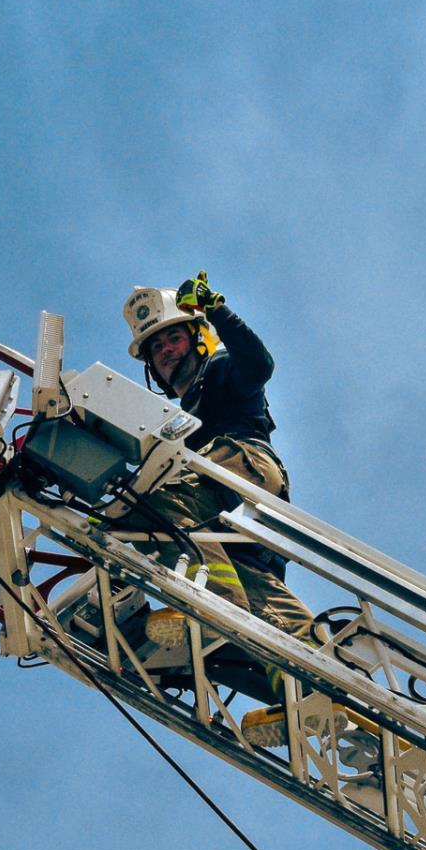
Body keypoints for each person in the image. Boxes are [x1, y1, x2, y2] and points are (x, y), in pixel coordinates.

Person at [117, 272, 317, 660]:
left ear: (198, 339)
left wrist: (216, 310)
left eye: (174, 338)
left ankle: (211, 608)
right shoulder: (173, 422)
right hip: (226, 528)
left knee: (152, 498)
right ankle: (322, 680)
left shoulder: (220, 369)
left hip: (242, 465)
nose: (165, 350)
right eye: (156, 346)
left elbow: (258, 365)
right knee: (273, 614)